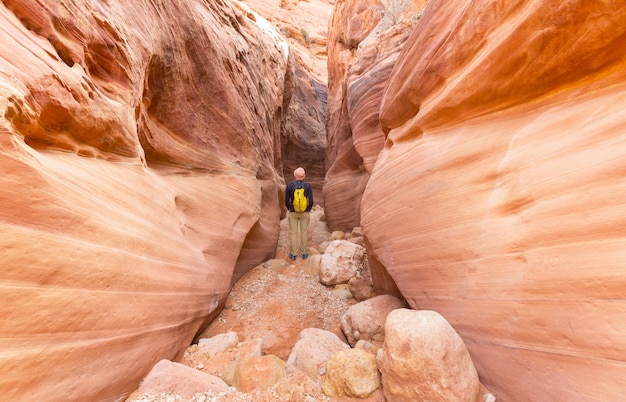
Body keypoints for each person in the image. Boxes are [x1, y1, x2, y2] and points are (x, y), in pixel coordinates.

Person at [285, 167, 313, 261]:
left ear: (294, 175)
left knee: (293, 233)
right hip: (304, 212)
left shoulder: (290, 185)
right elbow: (311, 200)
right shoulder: (307, 185)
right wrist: (308, 209)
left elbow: (286, 200)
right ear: (304, 176)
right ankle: (304, 254)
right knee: (304, 233)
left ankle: (293, 254)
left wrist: (290, 208)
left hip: (293, 212)